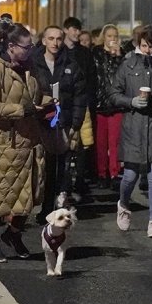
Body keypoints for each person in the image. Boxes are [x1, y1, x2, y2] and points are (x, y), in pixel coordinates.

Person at [0, 24, 51, 263]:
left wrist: (48, 103)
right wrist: (22, 110)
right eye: (26, 46)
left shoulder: (29, 67)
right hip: (3, 142)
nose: (30, 50)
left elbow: (34, 97)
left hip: (29, 139)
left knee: (30, 192)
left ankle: (14, 234)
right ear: (11, 46)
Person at [108, 30, 152, 238]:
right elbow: (113, 93)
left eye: (151, 46)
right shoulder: (128, 65)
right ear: (138, 45)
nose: (148, 50)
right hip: (133, 127)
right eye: (144, 46)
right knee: (130, 175)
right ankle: (123, 204)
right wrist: (131, 101)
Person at [31, 26, 87, 220]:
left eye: (58, 39)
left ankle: (55, 207)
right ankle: (43, 205)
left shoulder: (71, 64)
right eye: (51, 38)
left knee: (61, 166)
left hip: (63, 122)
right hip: (41, 122)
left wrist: (76, 124)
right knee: (43, 166)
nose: (55, 43)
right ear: (43, 40)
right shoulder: (34, 64)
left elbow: (80, 96)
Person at [63, 17, 97, 196]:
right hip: (65, 105)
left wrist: (89, 99)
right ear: (66, 30)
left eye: (78, 29)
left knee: (83, 144)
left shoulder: (84, 53)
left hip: (83, 103)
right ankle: (65, 183)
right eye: (73, 29)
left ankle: (80, 180)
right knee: (66, 143)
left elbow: (92, 78)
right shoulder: (59, 51)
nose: (76, 33)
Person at [92, 24, 126, 189]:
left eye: (115, 36)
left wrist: (117, 56)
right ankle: (101, 173)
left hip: (116, 104)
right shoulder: (96, 53)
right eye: (109, 36)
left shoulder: (122, 55)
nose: (112, 39)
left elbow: (121, 76)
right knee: (101, 142)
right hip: (100, 102)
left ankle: (114, 173)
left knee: (115, 141)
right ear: (103, 37)